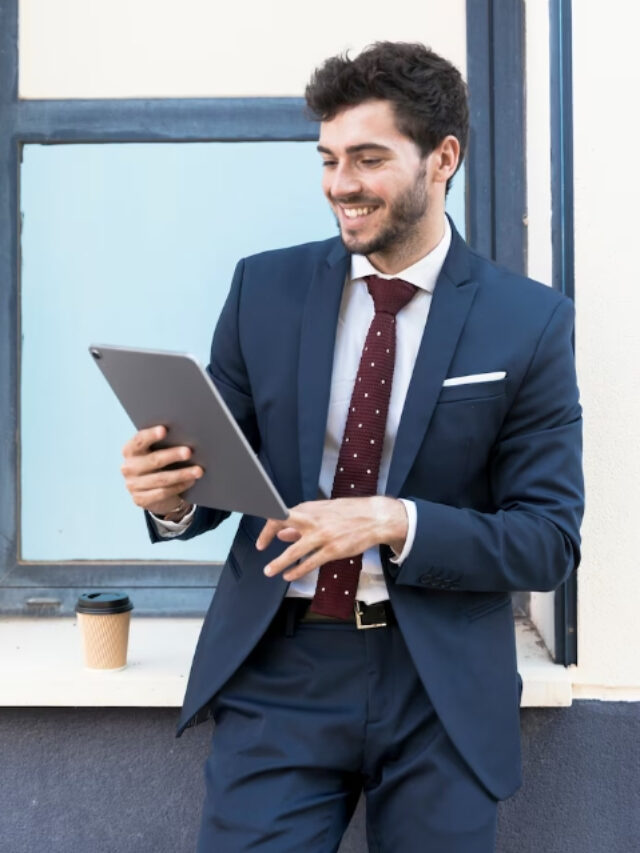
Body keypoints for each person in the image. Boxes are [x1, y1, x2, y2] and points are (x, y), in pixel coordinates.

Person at [120, 42, 583, 852]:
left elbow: (548, 541)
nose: (341, 183)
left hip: (439, 682)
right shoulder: (262, 288)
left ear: (444, 158)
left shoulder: (529, 322)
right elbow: (220, 471)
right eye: (330, 158)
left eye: (368, 158)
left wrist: (394, 520)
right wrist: (171, 497)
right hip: (281, 669)